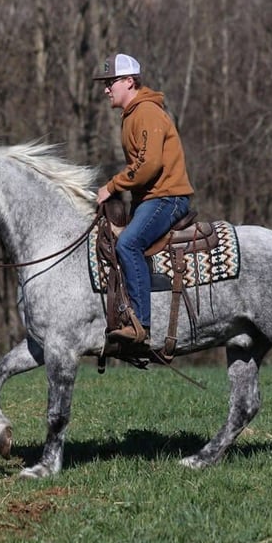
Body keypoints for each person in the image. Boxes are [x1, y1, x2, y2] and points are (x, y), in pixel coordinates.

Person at [94, 53, 194, 344]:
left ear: (129, 81)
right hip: (151, 199)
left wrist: (112, 186)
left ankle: (140, 325)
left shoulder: (146, 112)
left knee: (128, 243)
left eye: (111, 82)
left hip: (167, 198)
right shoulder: (132, 115)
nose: (106, 89)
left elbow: (149, 164)